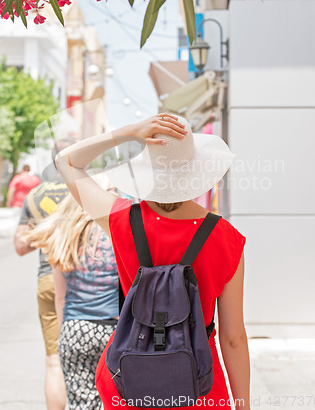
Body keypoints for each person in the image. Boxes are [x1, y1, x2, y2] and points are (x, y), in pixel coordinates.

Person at [55, 114, 250, 410]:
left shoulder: (121, 219)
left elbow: (66, 162)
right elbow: (232, 337)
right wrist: (243, 404)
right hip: (198, 381)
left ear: (147, 171)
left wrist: (128, 132)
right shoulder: (226, 237)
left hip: (129, 374)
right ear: (197, 172)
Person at [22, 192, 119, 409]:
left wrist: (66, 329)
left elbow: (61, 296)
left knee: (81, 402)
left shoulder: (64, 236)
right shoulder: (115, 234)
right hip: (113, 330)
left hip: (76, 329)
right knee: (116, 401)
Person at [14, 139, 75, 410]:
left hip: (48, 277)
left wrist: (46, 231)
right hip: (90, 284)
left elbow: (21, 245)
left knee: (54, 361)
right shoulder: (89, 189)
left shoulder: (35, 196)